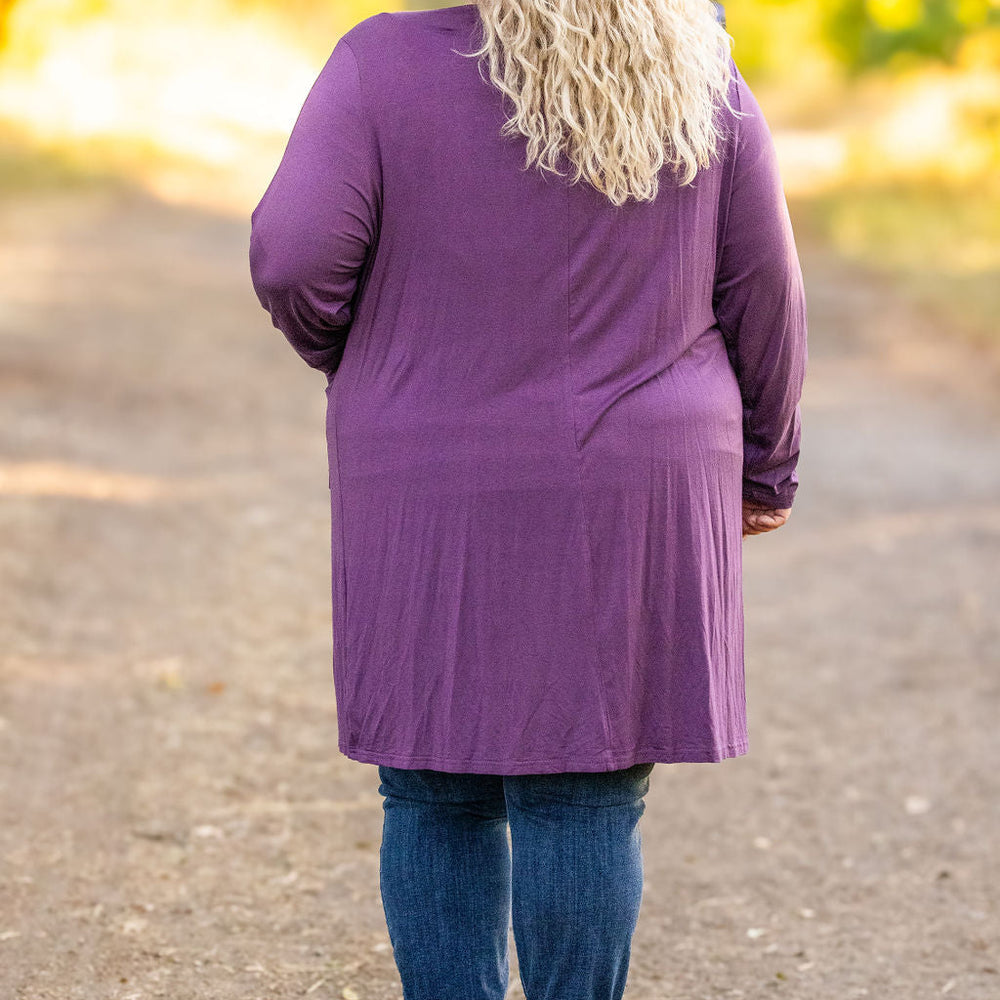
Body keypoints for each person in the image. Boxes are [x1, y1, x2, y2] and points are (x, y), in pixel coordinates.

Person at [248, 0, 807, 997]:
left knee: (432, 785)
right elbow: (764, 291)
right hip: (634, 483)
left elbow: (295, 256)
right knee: (584, 792)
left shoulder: (382, 63)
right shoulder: (698, 74)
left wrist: (375, 360)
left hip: (426, 474)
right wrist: (766, 466)